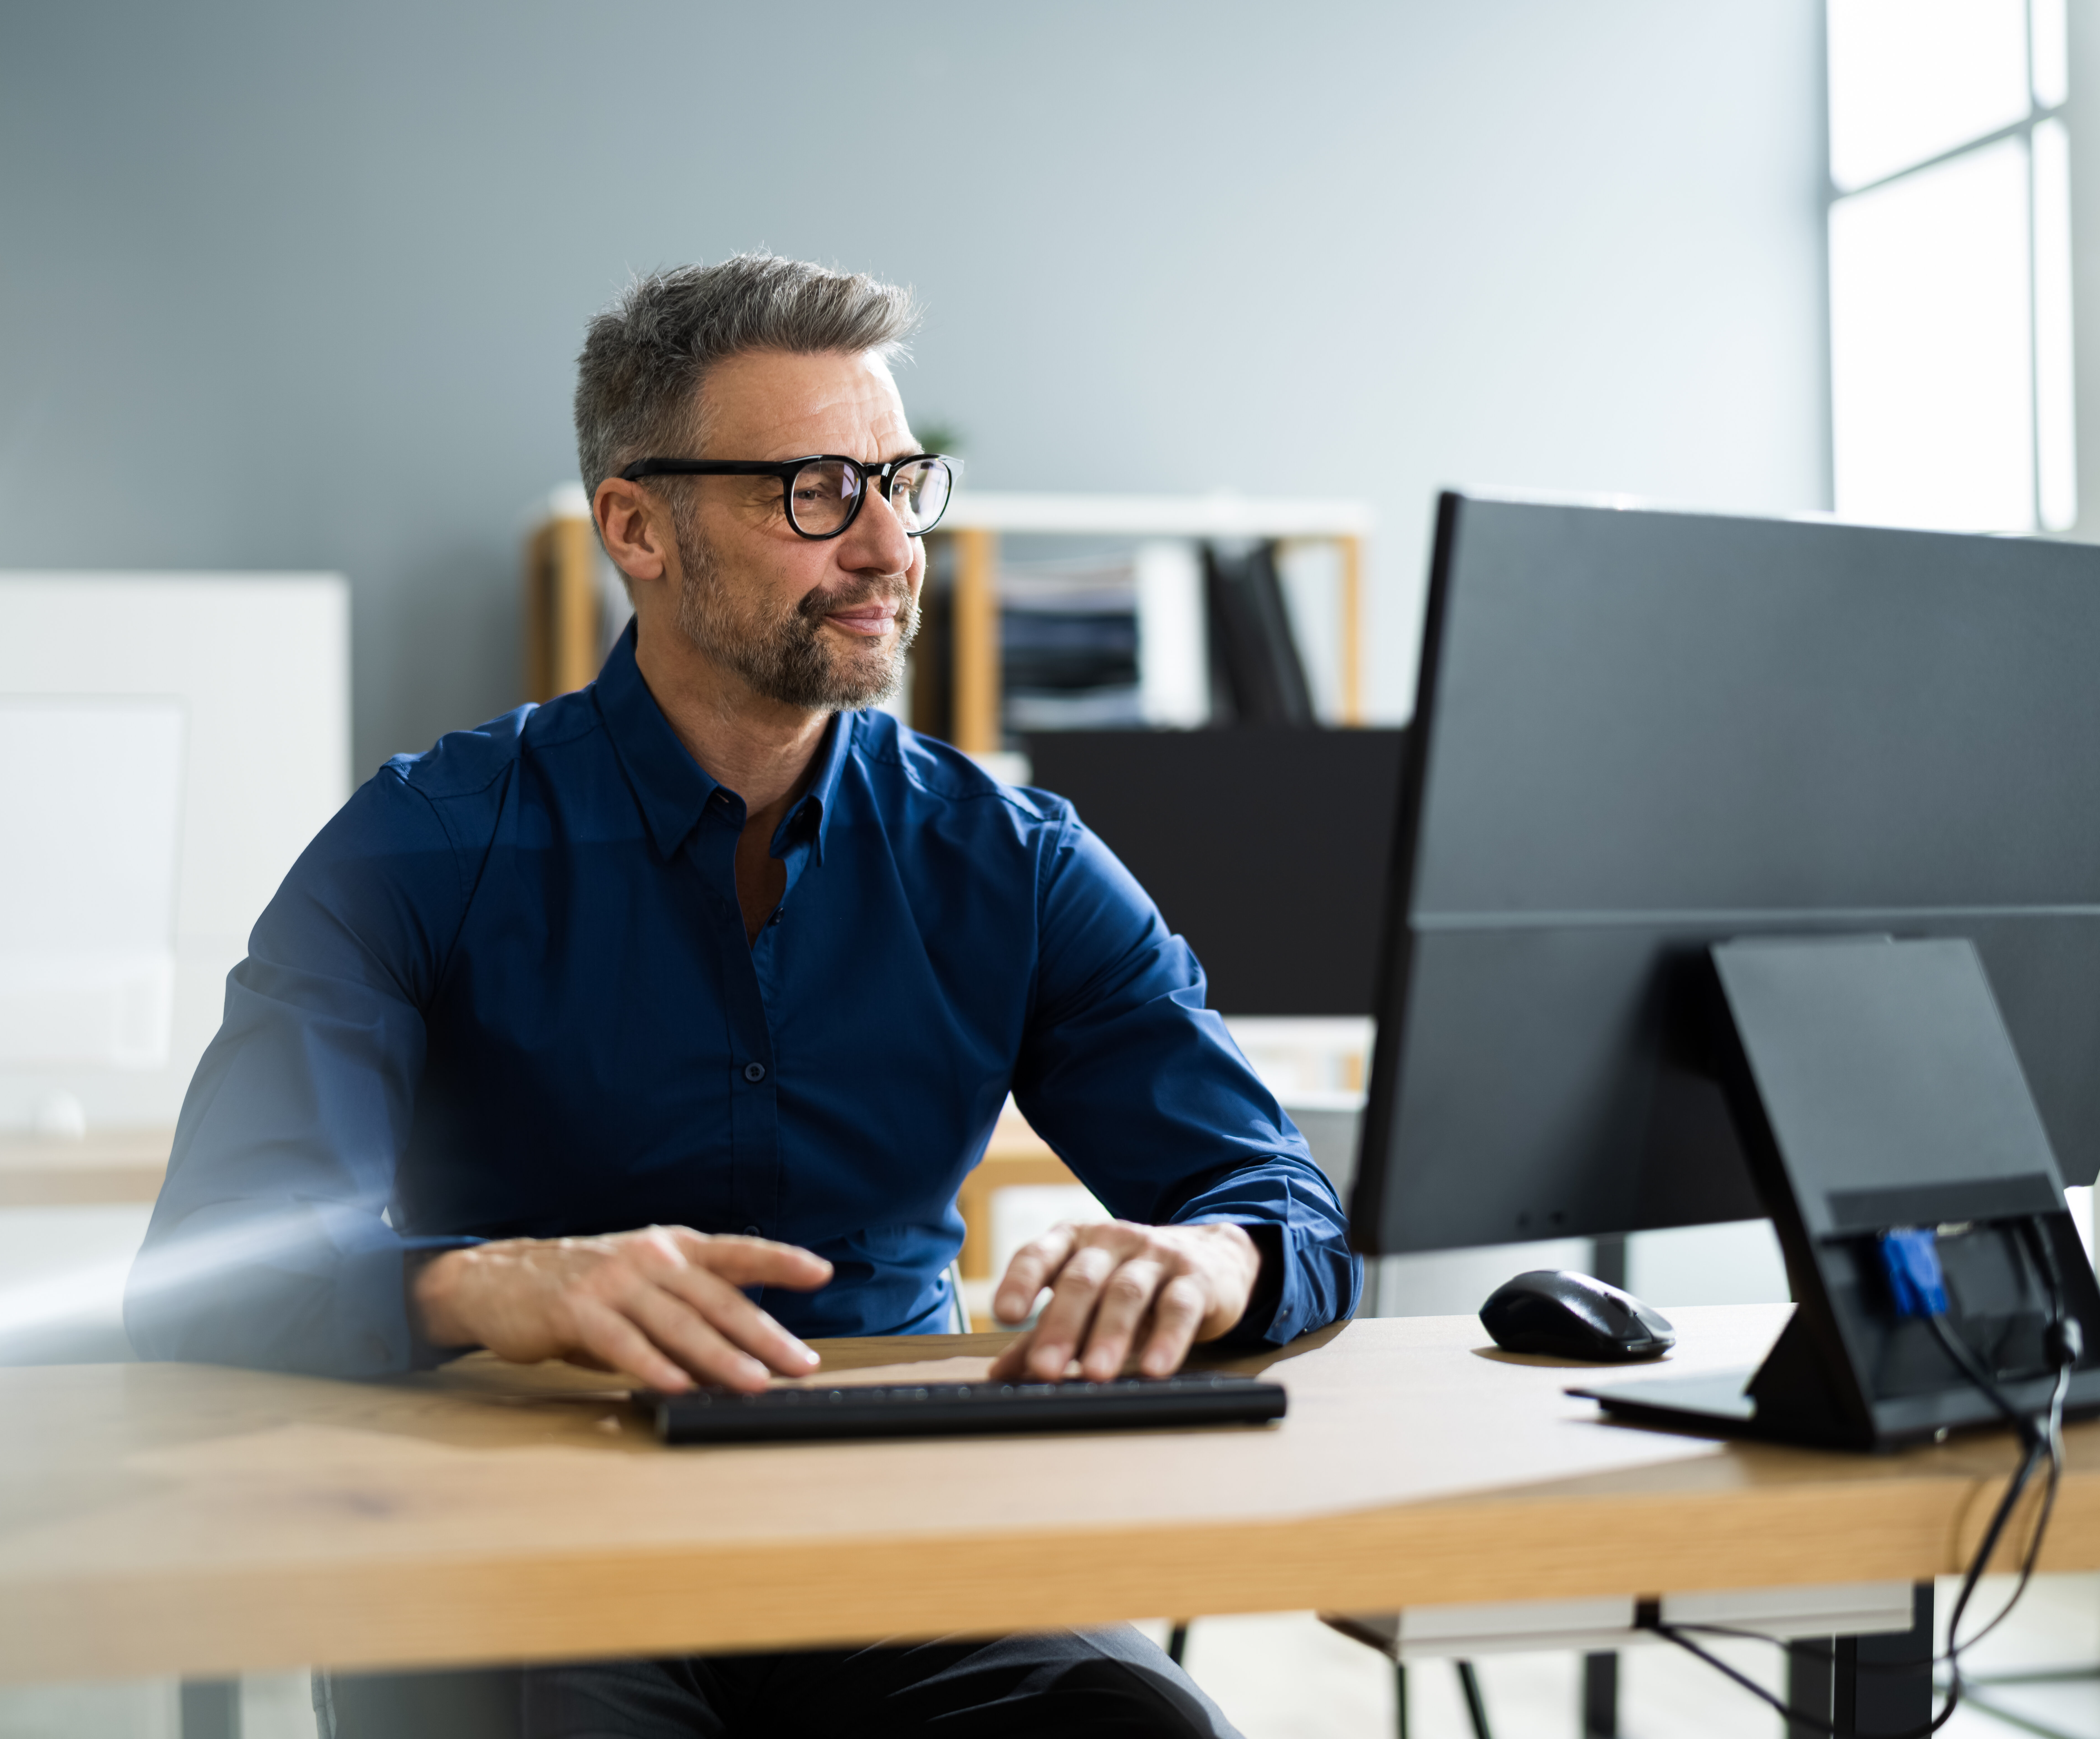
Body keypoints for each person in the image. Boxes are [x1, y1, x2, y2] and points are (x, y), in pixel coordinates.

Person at [129, 253, 1358, 1738]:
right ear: (635, 527)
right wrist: (491, 1284)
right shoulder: (421, 845)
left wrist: (1215, 1259)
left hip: (895, 1528)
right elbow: (208, 1267)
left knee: (1151, 1733)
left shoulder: (1014, 862)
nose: (889, 546)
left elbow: (1280, 1204)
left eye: (901, 484)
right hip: (522, 1525)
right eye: (816, 493)